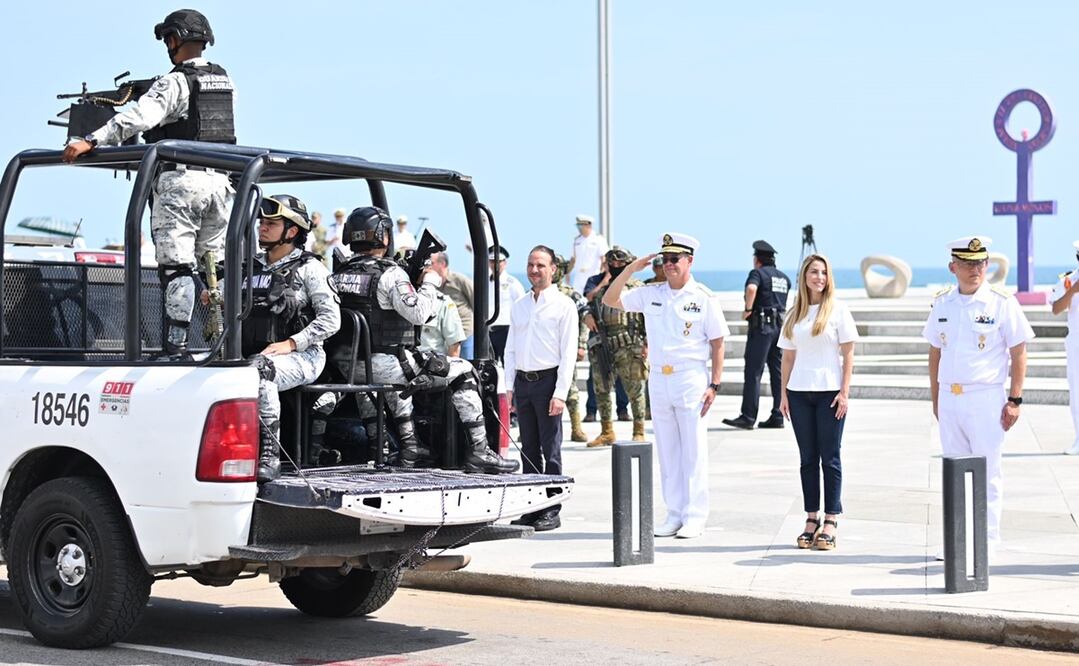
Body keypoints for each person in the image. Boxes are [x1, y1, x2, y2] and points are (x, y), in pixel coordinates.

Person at [63, 9, 236, 359]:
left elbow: (139, 117)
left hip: (182, 183)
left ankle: (177, 348)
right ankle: (227, 341)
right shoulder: (223, 79)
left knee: (177, 269)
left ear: (174, 39)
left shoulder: (173, 83)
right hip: (221, 182)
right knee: (215, 268)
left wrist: (91, 140)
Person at [327, 206, 517, 474]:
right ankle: (478, 451)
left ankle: (407, 449)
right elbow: (418, 313)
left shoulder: (338, 274)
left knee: (397, 378)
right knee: (463, 371)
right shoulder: (390, 274)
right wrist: (429, 283)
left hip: (349, 366)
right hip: (385, 365)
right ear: (382, 236)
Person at [604, 233, 729, 539]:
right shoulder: (651, 293)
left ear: (690, 261)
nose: (669, 265)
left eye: (675, 259)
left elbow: (718, 342)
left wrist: (715, 383)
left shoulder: (703, 297)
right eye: (665, 259)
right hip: (659, 377)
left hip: (691, 377)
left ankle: (695, 515)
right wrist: (631, 269)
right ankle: (674, 513)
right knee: (668, 450)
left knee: (693, 450)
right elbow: (610, 300)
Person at [922, 236, 1034, 555]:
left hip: (986, 396)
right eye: (969, 263)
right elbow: (934, 352)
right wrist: (935, 399)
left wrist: (1015, 400)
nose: (976, 269)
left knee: (988, 470)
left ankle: (988, 540)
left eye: (981, 263)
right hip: (949, 396)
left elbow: (1019, 351)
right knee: (954, 468)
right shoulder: (942, 303)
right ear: (952, 267)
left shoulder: (1001, 301)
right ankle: (958, 540)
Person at [240, 195, 341, 482]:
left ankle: (270, 454)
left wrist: (292, 343)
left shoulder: (311, 269)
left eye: (271, 223)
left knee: (261, 372)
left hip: (303, 356)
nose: (263, 228)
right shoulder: (249, 267)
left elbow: (331, 320)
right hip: (253, 352)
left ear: (292, 231)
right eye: (262, 222)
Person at [777, 254, 857, 550]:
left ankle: (831, 519)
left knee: (830, 458)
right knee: (807, 459)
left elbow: (848, 353)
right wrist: (784, 394)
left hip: (830, 393)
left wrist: (844, 392)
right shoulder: (794, 313)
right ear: (804, 276)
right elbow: (787, 356)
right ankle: (811, 517)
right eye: (813, 272)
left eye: (823, 272)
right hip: (799, 393)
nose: (819, 277)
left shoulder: (838, 310)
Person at [505, 246, 579, 531]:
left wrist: (560, 393)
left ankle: (551, 507)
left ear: (553, 270)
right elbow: (511, 348)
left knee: (551, 449)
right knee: (528, 449)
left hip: (549, 382)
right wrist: (510, 387)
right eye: (530, 264)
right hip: (523, 382)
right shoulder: (521, 304)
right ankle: (532, 507)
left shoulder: (563, 305)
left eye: (540, 265)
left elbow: (568, 353)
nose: (534, 270)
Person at [723, 240, 791, 430]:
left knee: (753, 371)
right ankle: (778, 415)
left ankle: (748, 416)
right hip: (779, 327)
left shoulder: (757, 273)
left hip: (762, 328)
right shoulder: (784, 278)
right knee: (777, 372)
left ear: (757, 259)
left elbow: (752, 288)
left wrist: (748, 308)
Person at [586, 247, 649, 446]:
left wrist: (647, 343)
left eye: (620, 264)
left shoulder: (638, 287)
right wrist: (586, 315)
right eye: (610, 264)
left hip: (631, 345)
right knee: (601, 388)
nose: (614, 267)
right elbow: (586, 303)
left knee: (635, 389)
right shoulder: (600, 288)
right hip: (604, 345)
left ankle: (639, 430)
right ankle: (607, 431)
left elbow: (649, 317)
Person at [583, 266, 632, 423]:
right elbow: (589, 297)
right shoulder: (594, 280)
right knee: (595, 376)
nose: (613, 265)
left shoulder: (627, 283)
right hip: (599, 334)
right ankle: (591, 411)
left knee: (622, 376)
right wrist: (604, 283)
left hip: (620, 336)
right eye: (610, 262)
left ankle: (622, 410)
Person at [554, 253, 592, 442]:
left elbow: (585, 320)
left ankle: (576, 427)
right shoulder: (535, 292)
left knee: (571, 390)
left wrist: (581, 345)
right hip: (545, 352)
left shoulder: (571, 294)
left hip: (566, 350)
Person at [1051, 241, 1079, 455]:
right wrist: (1073, 292)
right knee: (1077, 392)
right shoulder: (1069, 280)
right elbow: (1056, 309)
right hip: (1077, 344)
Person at [430, 251, 476, 359]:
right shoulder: (431, 284)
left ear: (442, 264)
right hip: (445, 336)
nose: (428, 266)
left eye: (432, 263)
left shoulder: (460, 280)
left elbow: (477, 302)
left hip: (465, 333)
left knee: (467, 367)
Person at [487, 246, 526, 363]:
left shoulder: (512, 283)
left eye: (499, 261)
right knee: (489, 366)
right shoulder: (485, 282)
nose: (496, 264)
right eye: (493, 261)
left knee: (508, 363)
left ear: (505, 263)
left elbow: (522, 306)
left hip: (506, 330)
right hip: (489, 330)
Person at [567, 214, 609, 295]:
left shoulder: (599, 240)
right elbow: (573, 259)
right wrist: (567, 273)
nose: (579, 229)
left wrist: (601, 275)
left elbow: (603, 259)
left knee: (591, 301)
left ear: (588, 225)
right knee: (577, 301)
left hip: (593, 276)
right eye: (578, 226)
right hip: (579, 276)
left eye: (580, 226)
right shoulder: (577, 240)